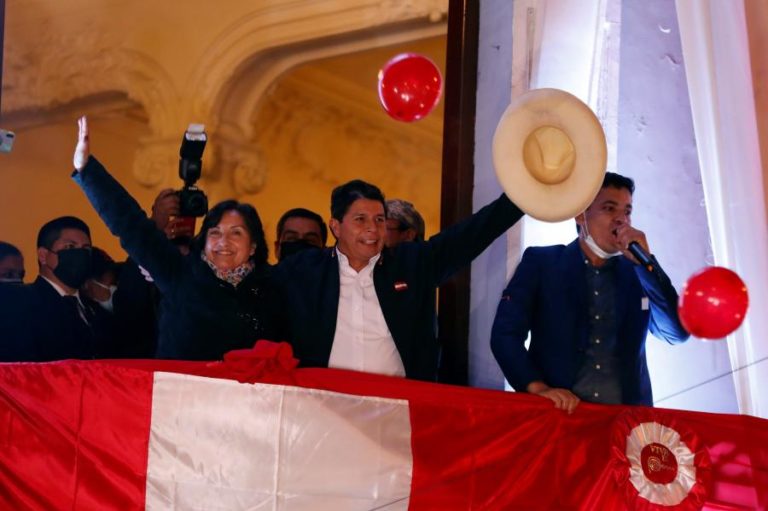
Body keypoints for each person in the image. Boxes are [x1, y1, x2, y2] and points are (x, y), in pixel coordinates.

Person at [71, 116, 282, 360]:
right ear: (204, 241)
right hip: (181, 394)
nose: (224, 242)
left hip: (246, 397)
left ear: (254, 245)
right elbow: (132, 226)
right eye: (215, 232)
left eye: (236, 233)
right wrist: (86, 169)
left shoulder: (272, 289)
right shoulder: (182, 276)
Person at [273, 179, 524, 381]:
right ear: (336, 227)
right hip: (323, 411)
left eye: (379, 220)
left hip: (398, 414)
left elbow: (474, 232)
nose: (373, 229)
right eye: (360, 220)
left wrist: (528, 193)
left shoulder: (412, 264)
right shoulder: (303, 270)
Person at [490, 172, 689, 412]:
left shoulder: (639, 273)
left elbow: (676, 333)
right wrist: (538, 388)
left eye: (627, 211)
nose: (621, 220)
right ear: (581, 214)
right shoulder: (543, 262)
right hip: (560, 417)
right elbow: (505, 334)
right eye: (609, 208)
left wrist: (648, 265)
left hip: (625, 426)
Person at [0, 216, 118, 361]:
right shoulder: (16, 303)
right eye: (70, 247)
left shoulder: (97, 312)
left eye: (86, 249)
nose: (80, 255)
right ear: (43, 255)